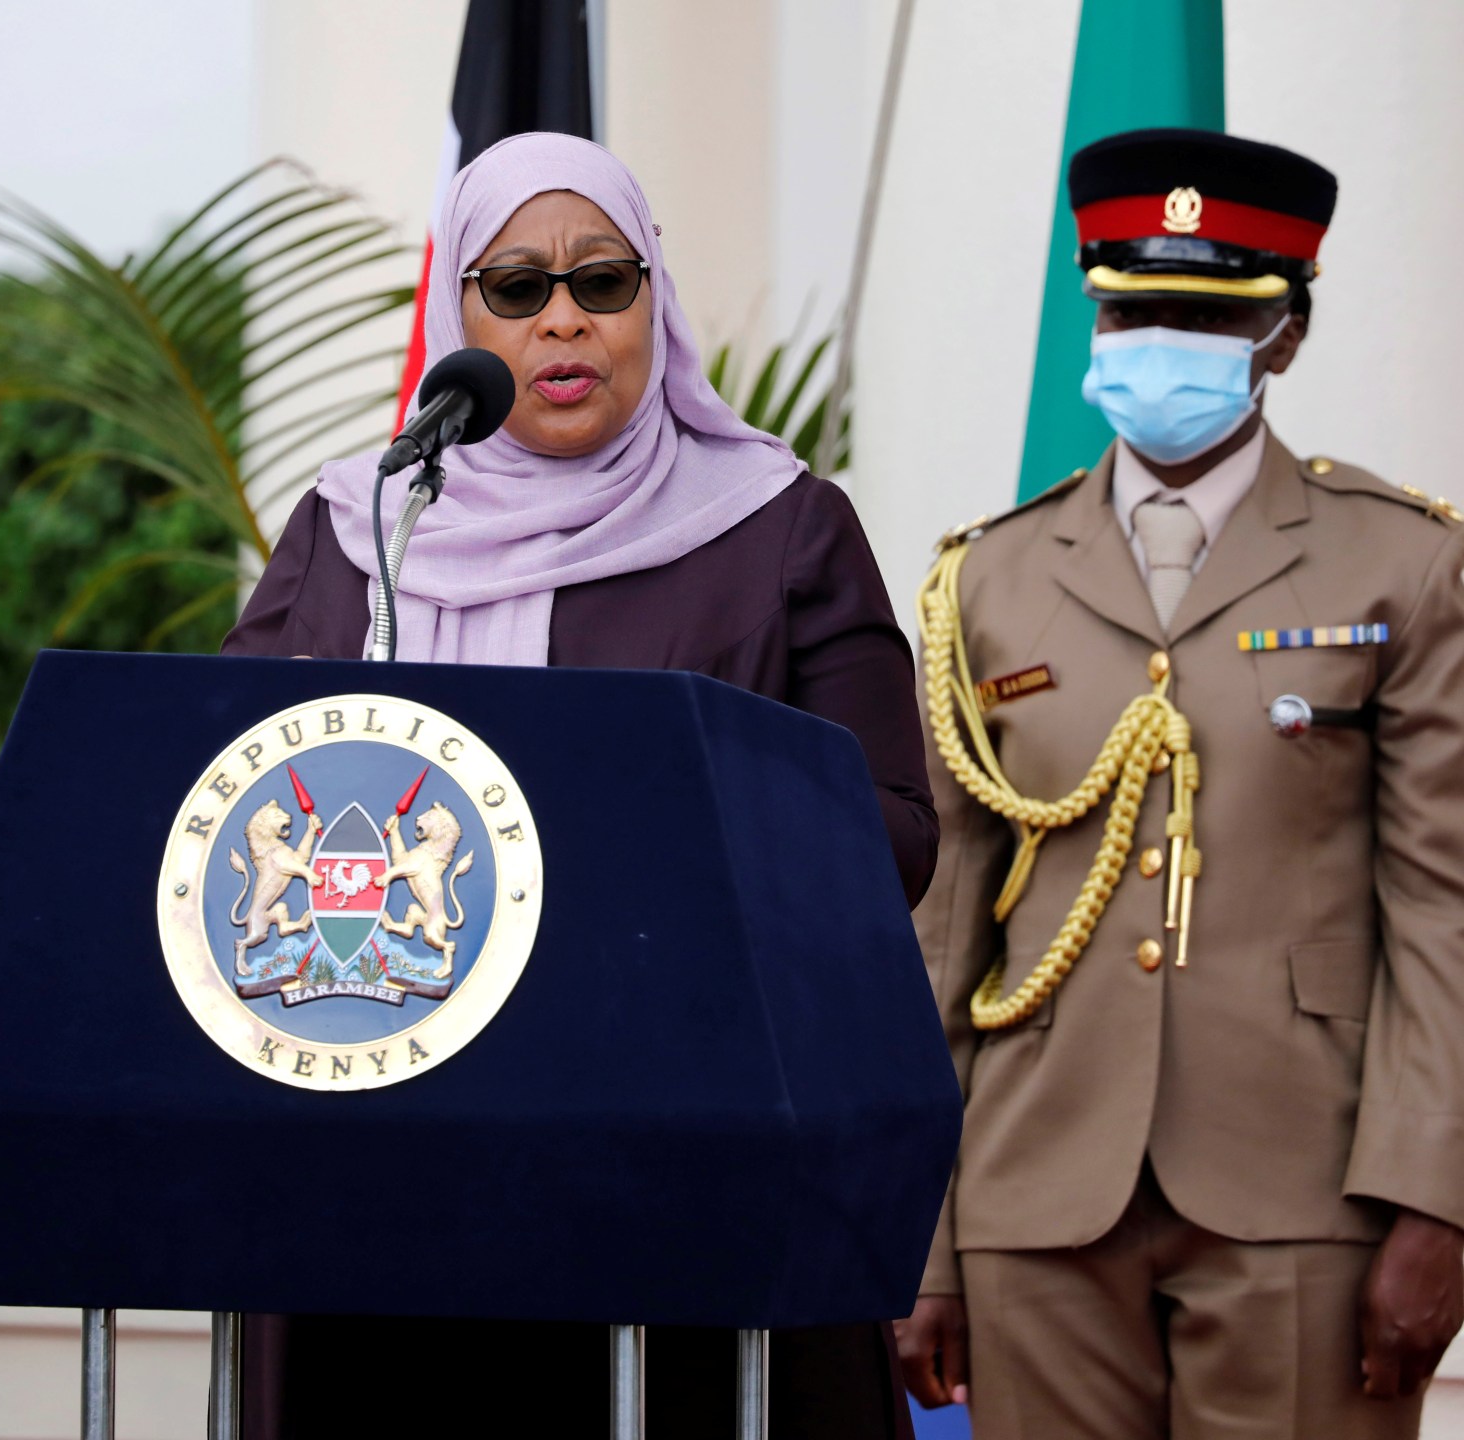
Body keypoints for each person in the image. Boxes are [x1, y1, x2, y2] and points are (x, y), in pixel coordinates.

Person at [223, 131, 936, 1439]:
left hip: (687, 1156)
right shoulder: (360, 527)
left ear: (653, 297)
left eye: (602, 282)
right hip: (381, 1169)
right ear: (462, 313)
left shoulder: (777, 528)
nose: (563, 319)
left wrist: (662, 810)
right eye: (516, 286)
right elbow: (219, 794)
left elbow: (895, 838)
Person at [896, 127, 1464, 1439]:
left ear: (1283, 336)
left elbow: (1443, 909)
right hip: (1036, 1188)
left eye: (1204, 319)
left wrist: (1436, 1200)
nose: (1160, 345)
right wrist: (923, 1234)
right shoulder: (988, 578)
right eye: (1132, 312)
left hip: (1310, 1188)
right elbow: (943, 933)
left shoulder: (1402, 567)